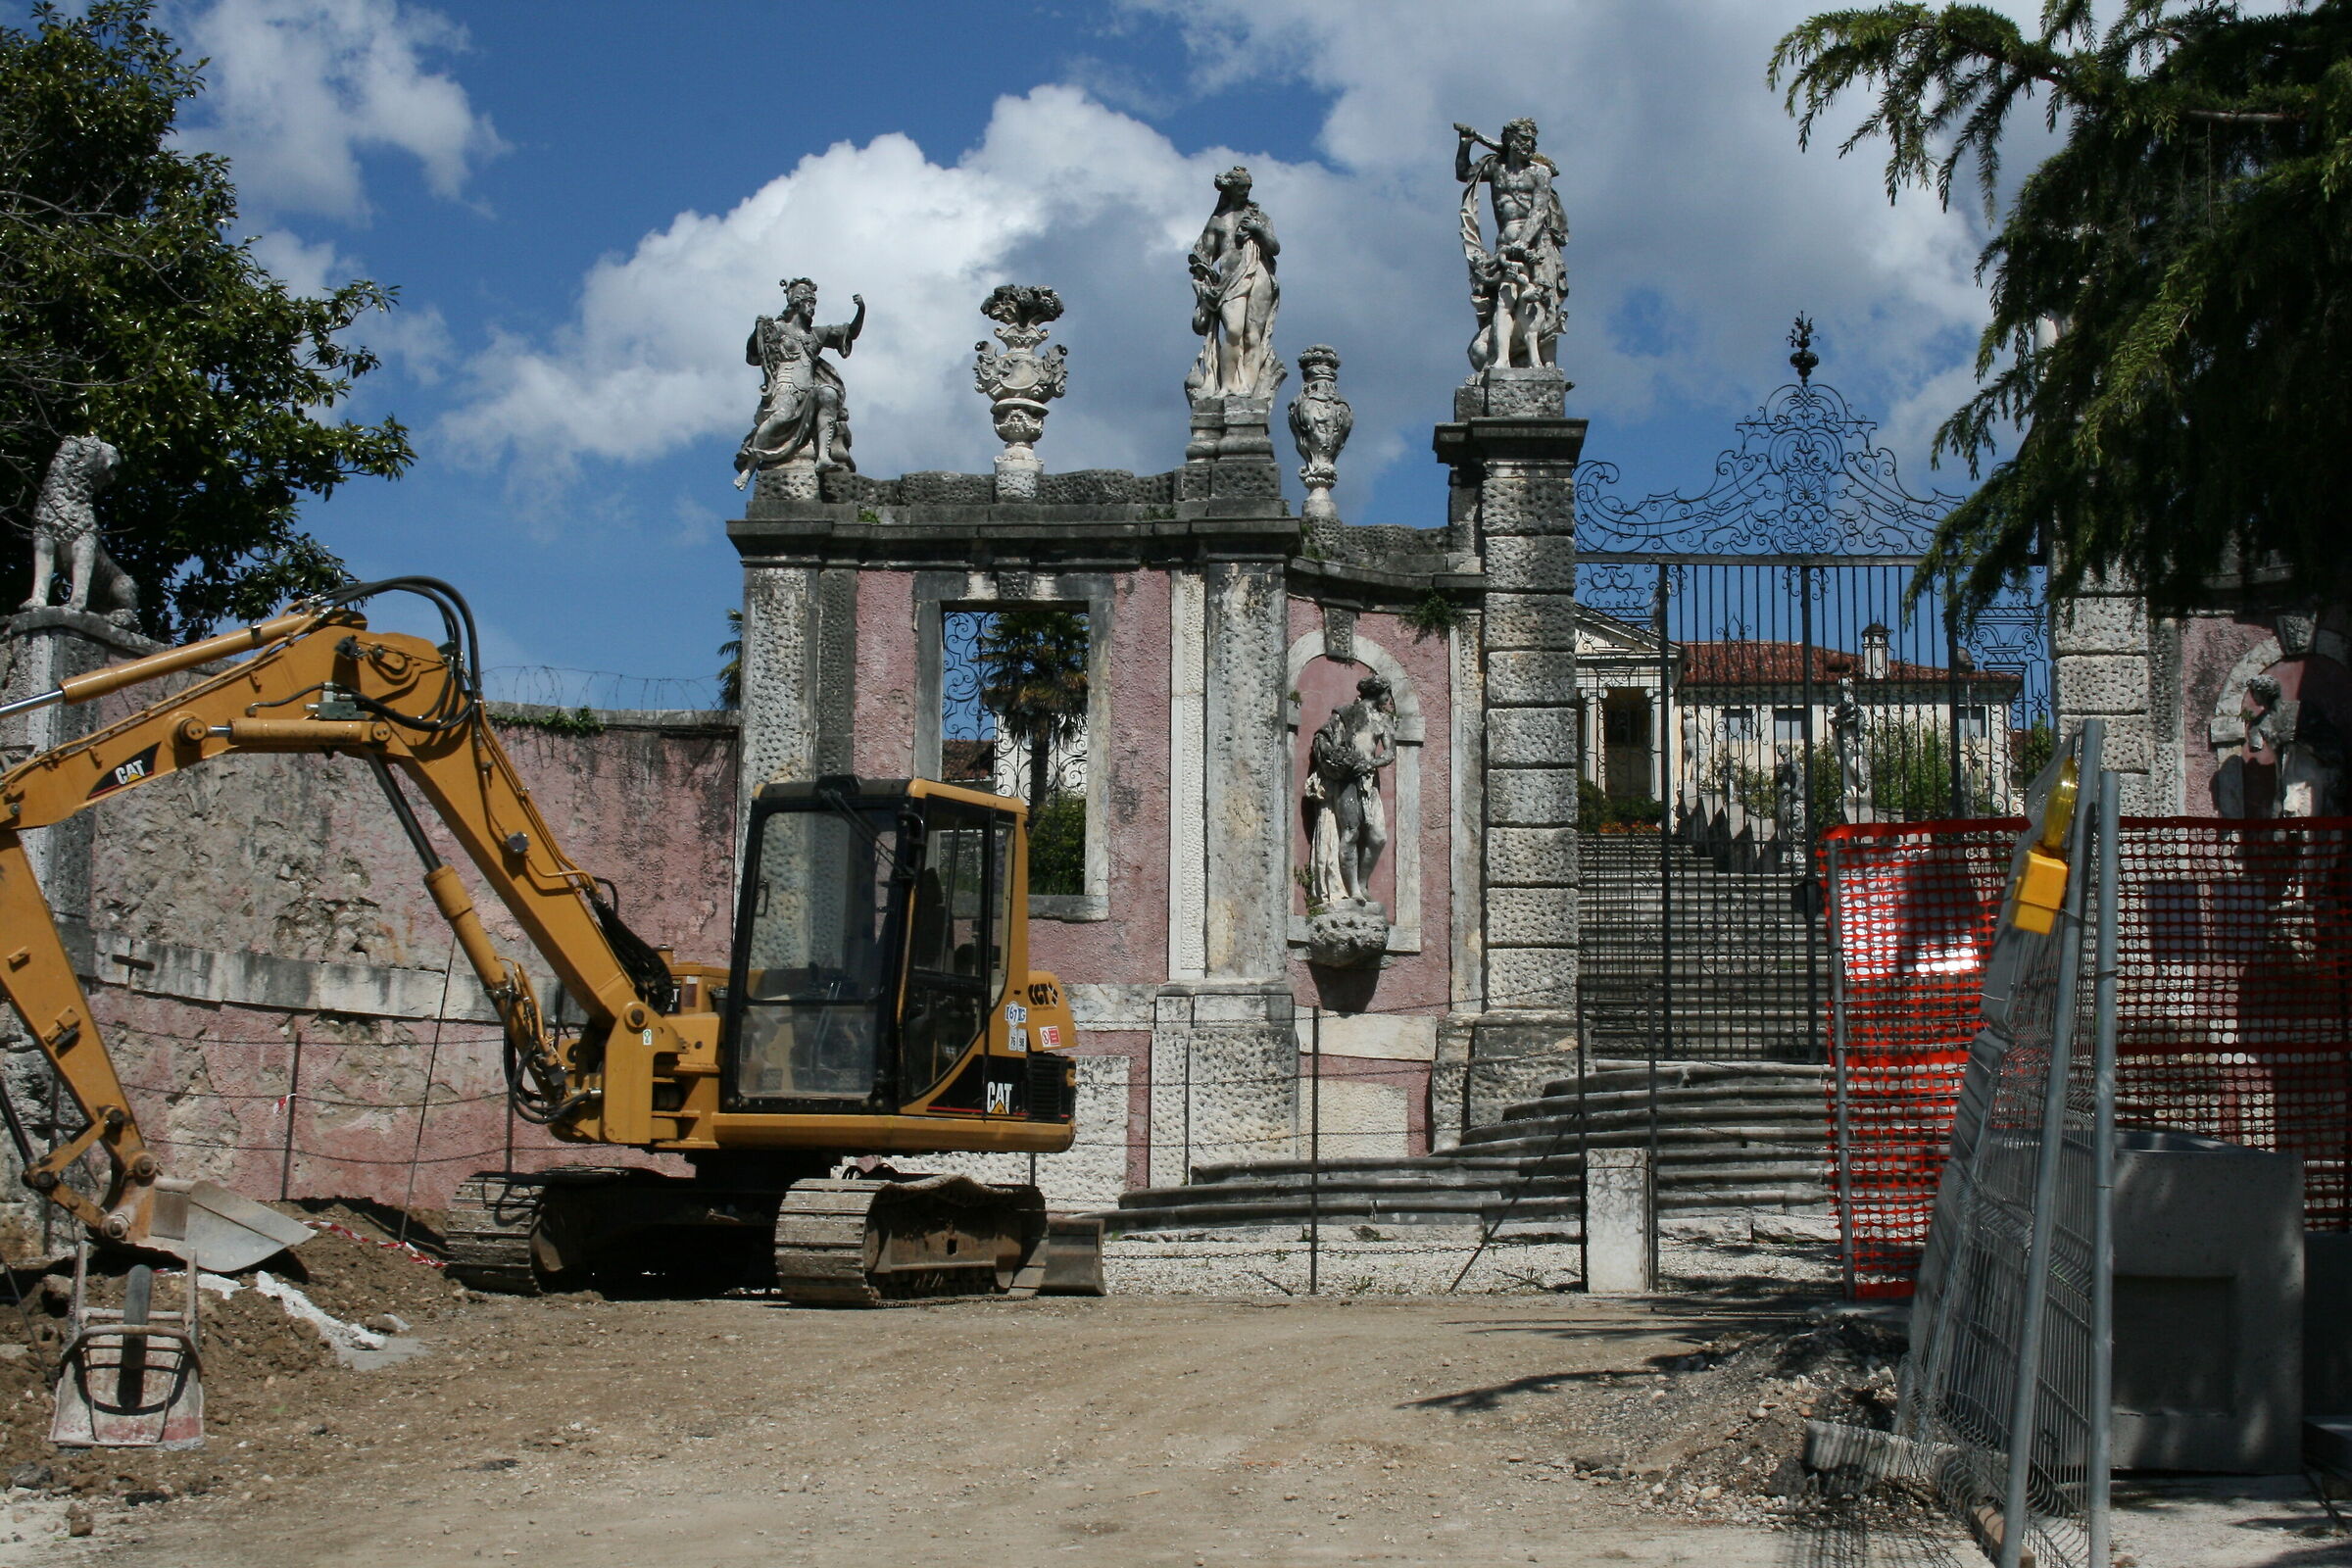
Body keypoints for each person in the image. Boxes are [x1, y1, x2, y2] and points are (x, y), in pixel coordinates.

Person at [1453, 119, 1568, 369]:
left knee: (1538, 302)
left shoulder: (1540, 173)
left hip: (1536, 246)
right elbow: (1464, 174)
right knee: (1506, 299)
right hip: (1505, 246)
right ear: (1510, 140)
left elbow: (1538, 212)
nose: (1529, 145)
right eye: (1524, 139)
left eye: (1532, 141)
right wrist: (1465, 146)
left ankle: (1542, 362)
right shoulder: (1496, 168)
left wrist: (1523, 244)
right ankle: (1503, 358)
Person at [734, 277, 865, 488]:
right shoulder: (777, 329)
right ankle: (749, 466)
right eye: (809, 303)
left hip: (809, 389)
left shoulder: (815, 335)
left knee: (828, 394)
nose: (813, 309)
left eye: (814, 304)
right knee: (778, 419)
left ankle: (823, 455)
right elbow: (753, 354)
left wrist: (861, 309)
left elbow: (850, 332)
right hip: (785, 388)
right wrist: (757, 330)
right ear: (797, 303)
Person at [1185, 167, 1282, 402]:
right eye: (1241, 188)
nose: (1246, 192)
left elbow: (1275, 248)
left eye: (1248, 188)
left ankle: (1248, 388)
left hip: (1259, 274)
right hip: (1229, 282)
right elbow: (1202, 255)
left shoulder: (1259, 218)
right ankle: (1227, 385)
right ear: (1230, 191)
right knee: (1234, 330)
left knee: (1253, 335)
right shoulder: (1218, 221)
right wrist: (1202, 281)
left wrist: (1258, 230)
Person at [1304, 674, 1399, 907]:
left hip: (1367, 781)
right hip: (1346, 780)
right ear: (1380, 692)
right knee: (1351, 832)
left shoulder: (1383, 720)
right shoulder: (1346, 714)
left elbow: (1389, 753)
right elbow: (1323, 739)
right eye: (1387, 692)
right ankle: (1353, 890)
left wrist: (1371, 763)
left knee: (1378, 837)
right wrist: (1341, 762)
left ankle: (1363, 883)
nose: (1389, 698)